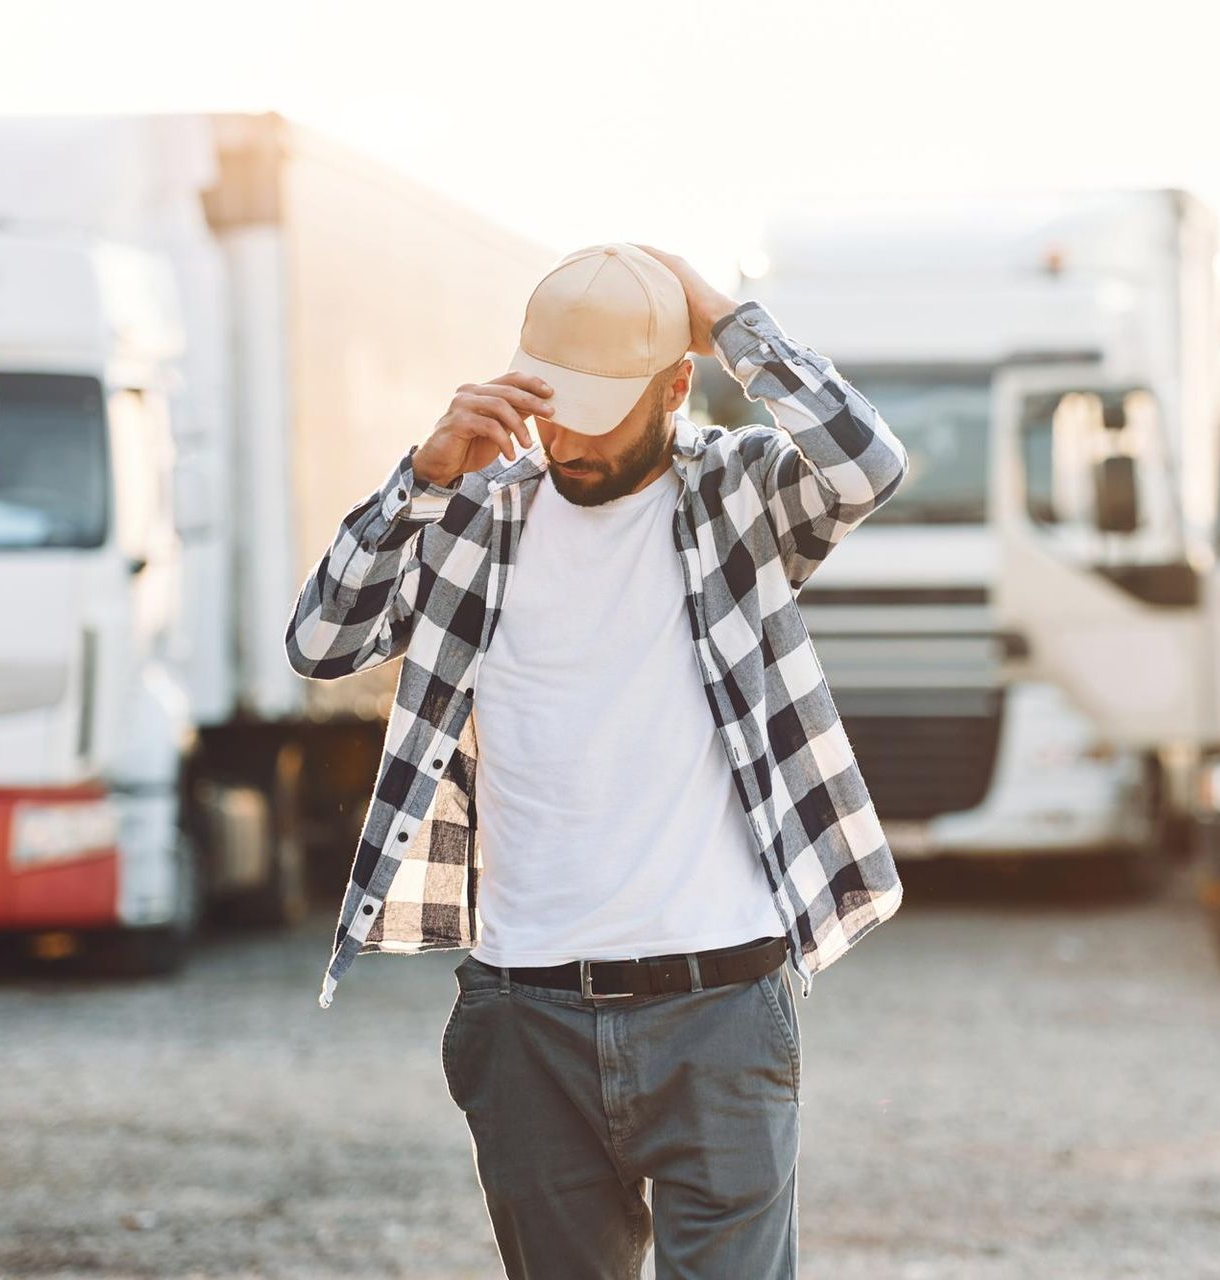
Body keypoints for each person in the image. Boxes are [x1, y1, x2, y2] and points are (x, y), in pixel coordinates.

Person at [284, 243, 908, 1277]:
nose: (567, 434)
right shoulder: (478, 514)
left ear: (675, 386)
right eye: (552, 401)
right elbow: (321, 640)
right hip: (525, 1018)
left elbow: (868, 464)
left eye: (600, 404)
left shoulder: (738, 498)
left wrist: (728, 325)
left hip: (721, 1008)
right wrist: (422, 475)